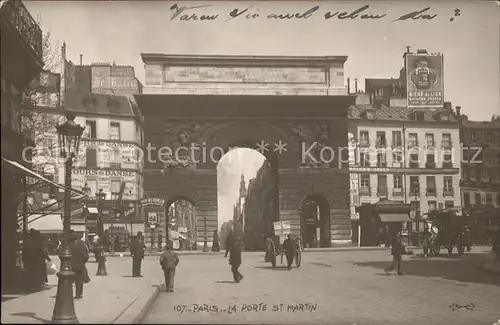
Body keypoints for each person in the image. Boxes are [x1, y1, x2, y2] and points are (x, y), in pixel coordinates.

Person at [69, 233, 90, 299]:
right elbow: (86, 256)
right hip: (80, 265)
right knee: (79, 280)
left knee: (69, 280)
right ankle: (79, 294)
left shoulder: (69, 246)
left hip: (70, 265)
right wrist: (83, 262)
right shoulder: (81, 245)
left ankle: (68, 294)